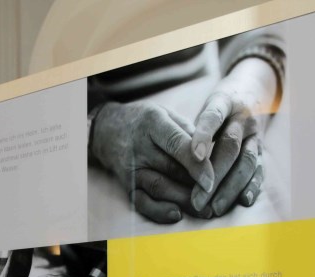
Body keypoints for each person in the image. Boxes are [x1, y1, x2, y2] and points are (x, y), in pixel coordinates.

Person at [87, 29, 285, 224]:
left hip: (215, 113)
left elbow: (255, 33)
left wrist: (248, 91)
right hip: (100, 168)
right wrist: (99, 125)